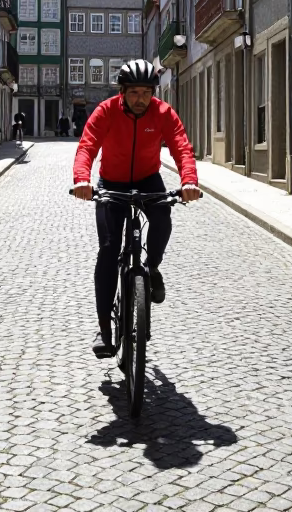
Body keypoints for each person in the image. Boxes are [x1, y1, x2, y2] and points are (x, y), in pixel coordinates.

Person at [73, 59, 200, 358]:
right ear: (122, 92)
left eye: (146, 92)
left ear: (153, 92)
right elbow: (87, 146)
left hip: (147, 180)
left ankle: (152, 266)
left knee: (163, 218)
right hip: (111, 183)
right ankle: (105, 331)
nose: (140, 99)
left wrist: (189, 182)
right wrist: (82, 180)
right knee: (108, 250)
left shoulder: (162, 112)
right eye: (133, 93)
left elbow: (181, 146)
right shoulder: (106, 111)